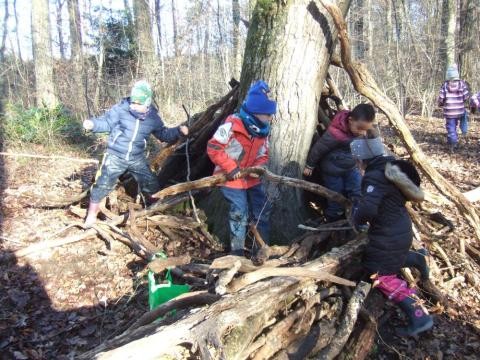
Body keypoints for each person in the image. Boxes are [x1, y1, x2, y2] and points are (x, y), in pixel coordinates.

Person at [350, 130, 433, 337]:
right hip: (400, 230)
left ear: (363, 159)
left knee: (380, 274)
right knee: (390, 260)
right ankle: (416, 259)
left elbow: (368, 209)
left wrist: (356, 218)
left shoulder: (373, 177)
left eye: (358, 160)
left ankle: (420, 318)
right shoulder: (388, 167)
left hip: (388, 235)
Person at [82, 80, 189, 228]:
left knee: (150, 183)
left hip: (136, 157)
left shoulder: (153, 118)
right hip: (116, 155)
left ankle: (154, 211)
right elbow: (106, 122)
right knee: (103, 183)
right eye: (133, 102)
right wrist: (93, 125)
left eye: (139, 104)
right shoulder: (121, 109)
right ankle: (91, 215)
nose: (135, 106)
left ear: (147, 102)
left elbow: (163, 134)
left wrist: (178, 130)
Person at [207, 80, 276, 256]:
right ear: (255, 112)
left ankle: (261, 249)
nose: (270, 118)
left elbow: (263, 153)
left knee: (261, 210)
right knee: (239, 213)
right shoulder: (231, 125)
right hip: (230, 180)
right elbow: (214, 148)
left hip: (252, 179)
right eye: (267, 114)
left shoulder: (263, 131)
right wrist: (230, 167)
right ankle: (236, 252)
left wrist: (258, 167)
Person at [303, 104, 375, 222]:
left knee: (357, 191)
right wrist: (310, 165)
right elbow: (319, 149)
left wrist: (362, 167)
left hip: (351, 168)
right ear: (351, 120)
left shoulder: (359, 133)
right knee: (335, 195)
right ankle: (332, 219)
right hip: (332, 171)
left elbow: (360, 150)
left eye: (365, 130)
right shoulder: (335, 133)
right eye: (360, 128)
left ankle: (357, 218)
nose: (363, 133)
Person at [437, 64, 470, 151]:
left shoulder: (444, 86)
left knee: (451, 127)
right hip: (460, 110)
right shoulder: (462, 84)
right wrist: (463, 100)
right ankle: (464, 130)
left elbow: (441, 98)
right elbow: (466, 96)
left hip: (450, 112)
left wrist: (440, 103)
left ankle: (453, 142)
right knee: (464, 116)